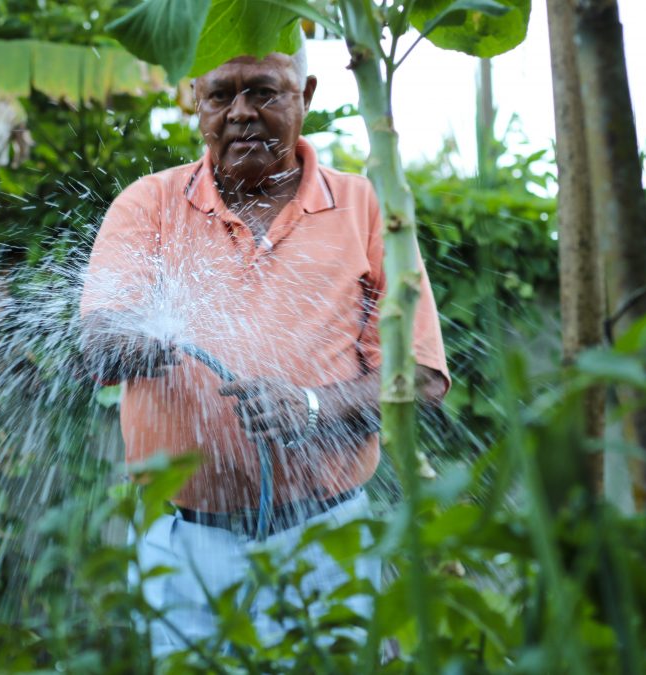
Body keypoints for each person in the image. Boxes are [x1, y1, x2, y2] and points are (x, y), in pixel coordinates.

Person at [78, 44, 449, 654]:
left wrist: (311, 408)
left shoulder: (362, 207)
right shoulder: (148, 204)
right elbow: (96, 347)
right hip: (182, 543)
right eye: (221, 95)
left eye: (264, 91)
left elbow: (423, 379)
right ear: (196, 104)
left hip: (326, 536)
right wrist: (133, 342)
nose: (241, 112)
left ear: (306, 97)